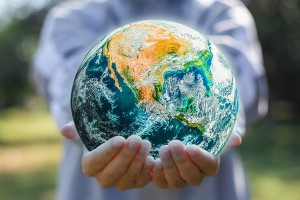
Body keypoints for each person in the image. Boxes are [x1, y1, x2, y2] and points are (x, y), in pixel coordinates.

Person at [33, 0, 268, 200]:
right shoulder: (70, 18)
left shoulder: (223, 12)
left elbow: (242, 85)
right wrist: (83, 128)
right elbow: (67, 86)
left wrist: (226, 118)